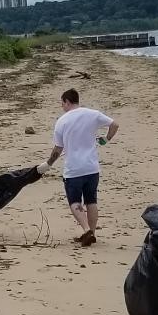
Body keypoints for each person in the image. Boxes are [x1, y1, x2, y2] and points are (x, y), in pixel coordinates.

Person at [46, 88, 118, 246]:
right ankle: (91, 233)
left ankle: (87, 230)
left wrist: (49, 163)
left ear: (67, 102)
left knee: (74, 201)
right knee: (91, 201)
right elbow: (114, 125)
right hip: (92, 167)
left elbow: (58, 149)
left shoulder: (62, 121)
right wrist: (106, 140)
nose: (62, 106)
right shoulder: (93, 114)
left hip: (74, 169)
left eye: (62, 103)